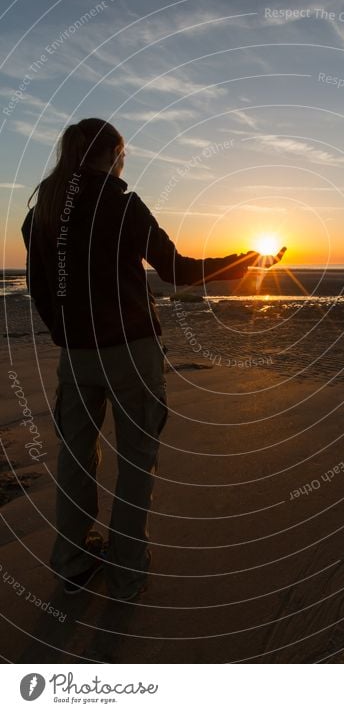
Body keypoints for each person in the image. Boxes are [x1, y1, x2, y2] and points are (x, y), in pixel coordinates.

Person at [22, 118, 285, 601]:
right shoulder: (120, 204)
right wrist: (247, 260)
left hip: (76, 356)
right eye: (124, 154)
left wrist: (67, 334)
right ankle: (127, 568)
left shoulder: (44, 208)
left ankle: (72, 562)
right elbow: (178, 270)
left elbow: (41, 288)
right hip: (130, 351)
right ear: (115, 152)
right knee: (137, 460)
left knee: (76, 459)